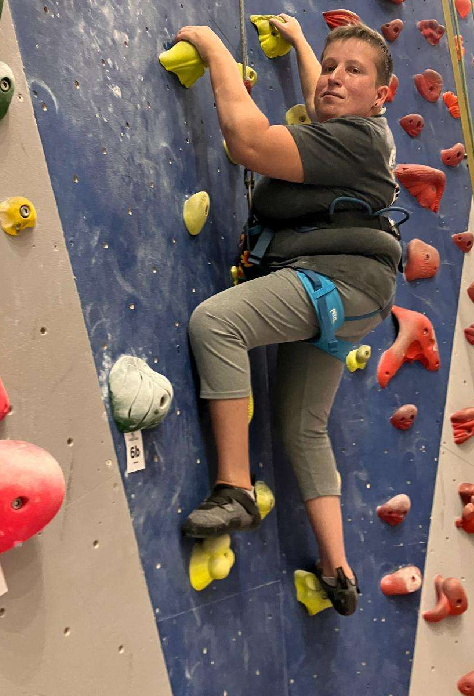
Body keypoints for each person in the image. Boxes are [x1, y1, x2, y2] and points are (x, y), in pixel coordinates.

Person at [176, 17, 400, 616]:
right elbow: (322, 100)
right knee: (304, 428)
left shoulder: (359, 139)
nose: (334, 78)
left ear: (382, 95)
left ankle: (234, 488)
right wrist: (304, 45)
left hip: (335, 277)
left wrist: (213, 47)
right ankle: (337, 569)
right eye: (331, 67)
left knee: (217, 324)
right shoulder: (358, 133)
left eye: (354, 71)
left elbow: (249, 143)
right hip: (356, 296)